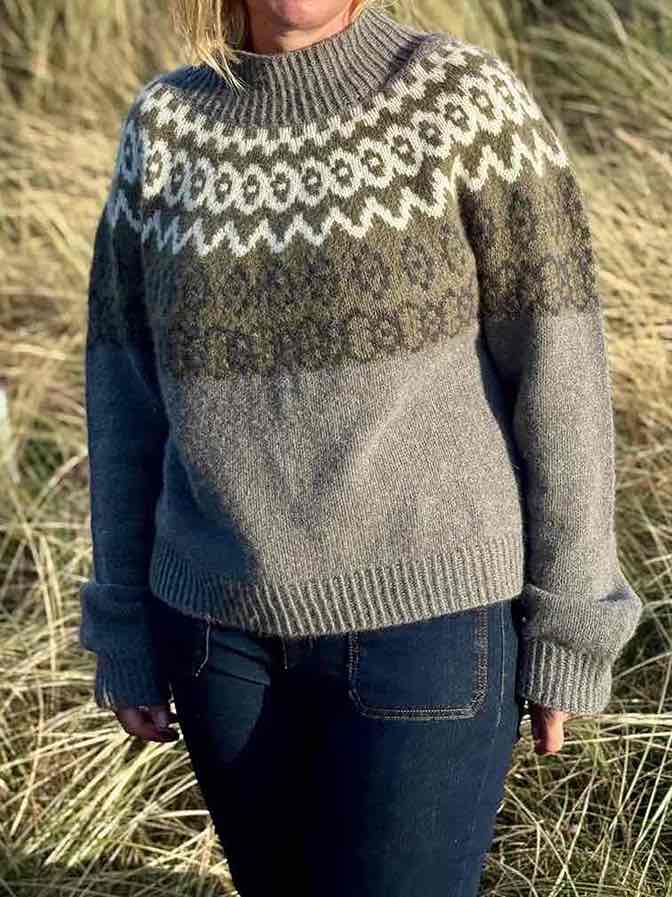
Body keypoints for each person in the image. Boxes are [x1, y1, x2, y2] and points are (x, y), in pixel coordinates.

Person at [78, 0, 644, 894]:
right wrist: (121, 624)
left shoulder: (459, 100)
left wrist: (572, 619)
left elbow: (561, 365)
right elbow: (123, 396)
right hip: (219, 640)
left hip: (430, 631)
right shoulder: (166, 127)